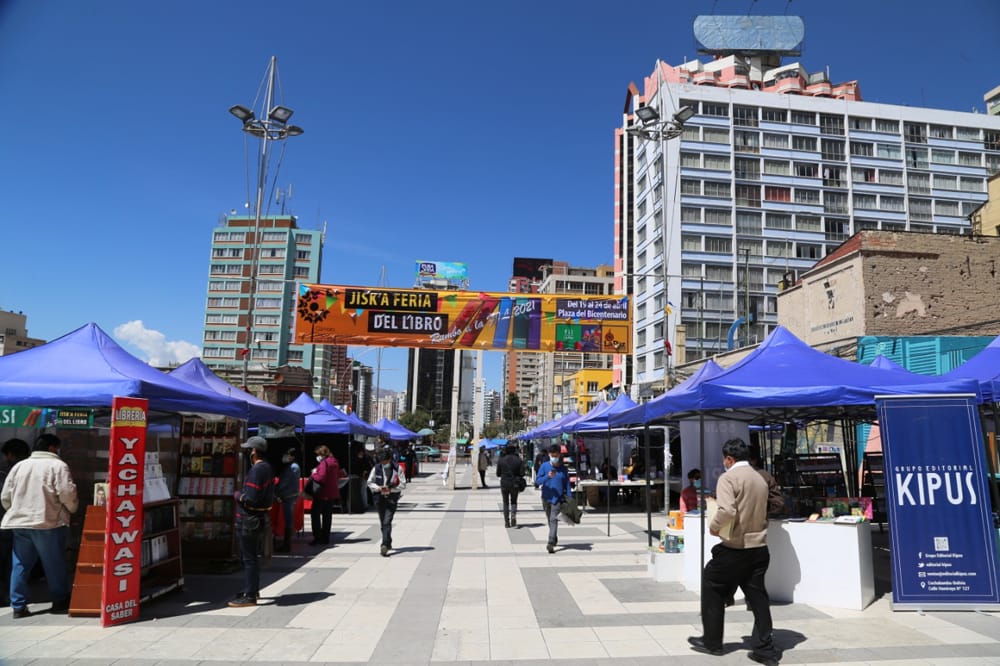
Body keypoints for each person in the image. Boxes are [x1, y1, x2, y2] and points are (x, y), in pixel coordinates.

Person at [688, 438, 779, 666]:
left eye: (724, 459)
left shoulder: (728, 478)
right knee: (758, 596)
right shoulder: (760, 478)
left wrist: (714, 526)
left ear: (729, 458)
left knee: (712, 584)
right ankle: (764, 648)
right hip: (759, 546)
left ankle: (712, 642)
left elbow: (727, 510)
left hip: (735, 547)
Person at [1, 434, 79, 618]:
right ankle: (59, 600)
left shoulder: (20, 466)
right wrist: (71, 509)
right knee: (53, 563)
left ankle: (18, 606)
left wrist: (16, 510)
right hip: (48, 522)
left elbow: (5, 496)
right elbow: (67, 493)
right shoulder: (57, 466)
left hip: (20, 522)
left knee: (20, 564)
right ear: (52, 448)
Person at [229, 436, 275, 608]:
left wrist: (237, 496)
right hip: (256, 519)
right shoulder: (267, 468)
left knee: (248, 559)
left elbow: (251, 499)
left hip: (249, 520)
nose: (248, 452)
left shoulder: (258, 470)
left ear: (254, 451)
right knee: (251, 558)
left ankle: (250, 595)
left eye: (249, 449)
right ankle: (252, 589)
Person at [0, 439, 31, 608]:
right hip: (26, 522)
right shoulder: (33, 468)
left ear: (10, 455)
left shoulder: (8, 473)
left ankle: (12, 599)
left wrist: (11, 511)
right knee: (16, 562)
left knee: (12, 561)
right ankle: (13, 597)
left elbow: (5, 498)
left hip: (7, 521)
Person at [367, 447, 405, 556]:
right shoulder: (376, 468)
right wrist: (378, 488)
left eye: (386, 462)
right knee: (383, 522)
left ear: (390, 460)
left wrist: (392, 489)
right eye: (382, 462)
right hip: (379, 498)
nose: (384, 464)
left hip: (392, 498)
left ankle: (384, 545)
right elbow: (370, 482)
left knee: (387, 521)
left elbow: (403, 484)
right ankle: (388, 541)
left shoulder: (397, 468)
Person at [535, 444, 571, 554]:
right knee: (549, 518)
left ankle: (550, 542)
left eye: (556, 455)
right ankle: (554, 536)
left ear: (559, 455)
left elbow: (567, 484)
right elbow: (537, 481)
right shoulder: (544, 466)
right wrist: (547, 477)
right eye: (552, 455)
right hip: (546, 497)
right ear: (549, 455)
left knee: (553, 519)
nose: (554, 457)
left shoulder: (563, 469)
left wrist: (570, 498)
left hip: (557, 498)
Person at [309, 445, 343, 546]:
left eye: (318, 454)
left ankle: (317, 537)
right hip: (332, 493)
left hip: (322, 493)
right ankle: (325, 538)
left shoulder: (324, 463)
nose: (317, 457)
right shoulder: (334, 461)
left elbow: (320, 478)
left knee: (315, 515)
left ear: (321, 454)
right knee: (327, 516)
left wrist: (314, 473)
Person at [274, 447, 301, 552]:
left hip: (288, 495)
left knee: (288, 520)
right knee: (288, 519)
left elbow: (284, 482)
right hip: (290, 495)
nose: (286, 457)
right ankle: (286, 544)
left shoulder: (292, 467)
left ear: (292, 456)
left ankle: (287, 545)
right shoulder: (294, 466)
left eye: (288, 455)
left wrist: (275, 490)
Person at [749, 444, 785, 518]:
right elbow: (778, 503)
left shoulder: (731, 477)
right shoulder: (765, 475)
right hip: (762, 521)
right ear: (755, 460)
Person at [495, 443, 524, 528]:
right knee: (514, 501)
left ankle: (506, 522)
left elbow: (498, 474)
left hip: (504, 483)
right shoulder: (519, 460)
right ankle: (513, 515)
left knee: (505, 502)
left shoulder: (501, 460)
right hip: (514, 483)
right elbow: (522, 473)